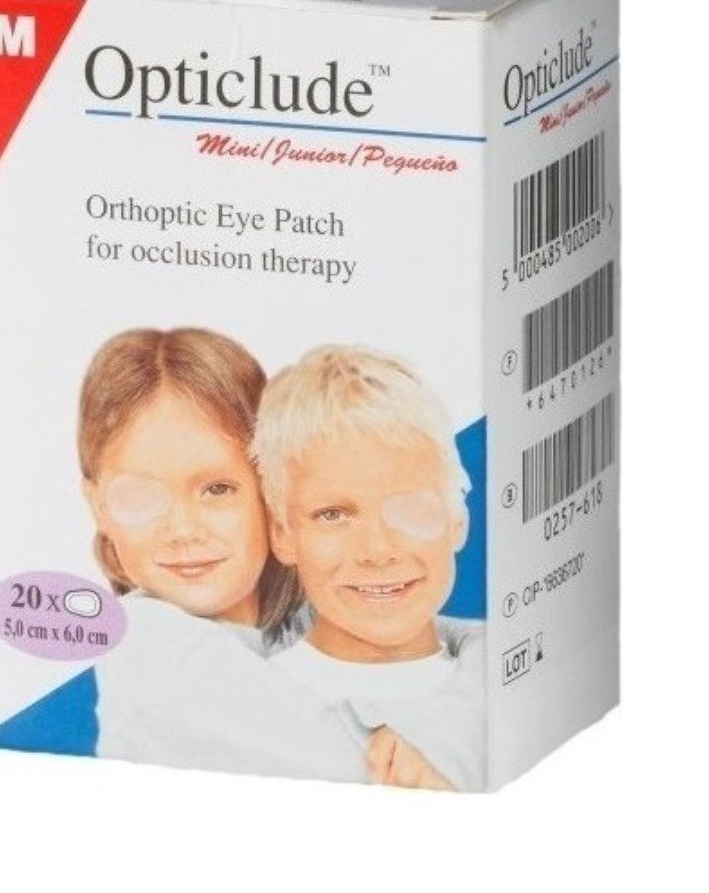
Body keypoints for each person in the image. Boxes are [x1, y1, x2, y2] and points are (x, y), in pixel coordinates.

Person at [80, 328, 447, 786]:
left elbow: (447, 638)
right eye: (142, 496)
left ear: (272, 490)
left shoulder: (290, 630)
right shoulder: (143, 640)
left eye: (218, 489)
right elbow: (350, 764)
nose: (184, 530)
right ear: (98, 506)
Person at [253, 344, 486, 790]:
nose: (378, 550)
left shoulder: (502, 687)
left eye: (408, 507)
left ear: (458, 519)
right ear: (282, 534)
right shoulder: (253, 701)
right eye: (333, 515)